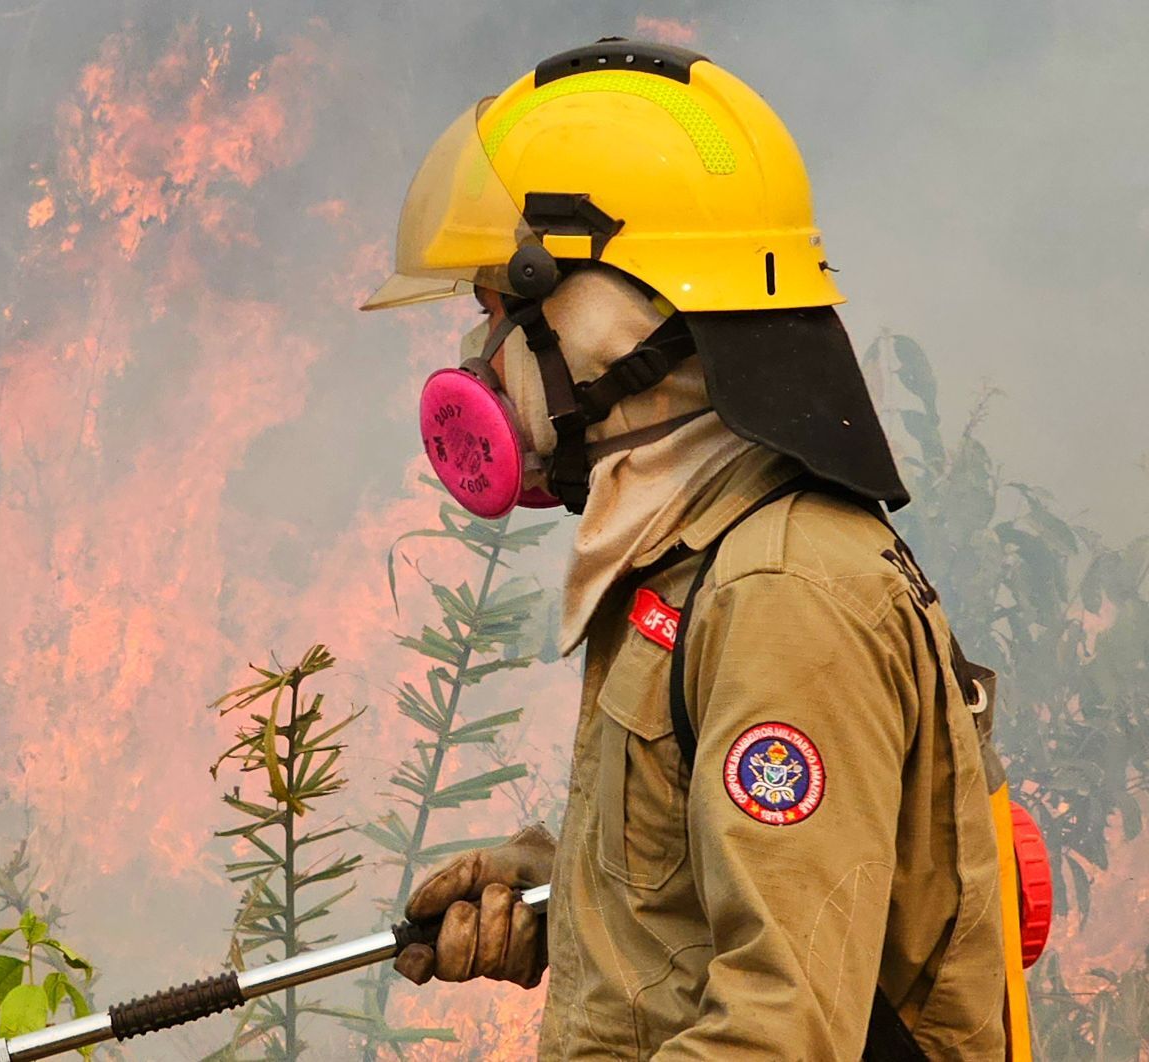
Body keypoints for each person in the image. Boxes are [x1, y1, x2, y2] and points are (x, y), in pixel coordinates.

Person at [362, 37, 1024, 1060]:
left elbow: (779, 1034)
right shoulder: (707, 556)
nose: (479, 357)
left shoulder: (781, 595)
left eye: (502, 305)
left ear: (621, 314)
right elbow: (744, 887)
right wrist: (568, 893)